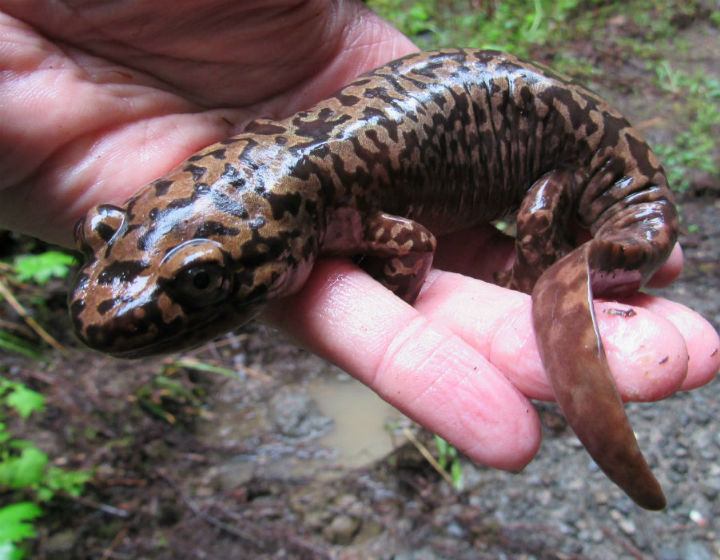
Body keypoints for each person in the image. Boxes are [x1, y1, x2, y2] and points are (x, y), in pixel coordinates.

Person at [0, 0, 717, 472]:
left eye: (200, 279)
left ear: (292, 232)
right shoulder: (289, 186)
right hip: (518, 115)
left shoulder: (320, 201)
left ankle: (541, 271)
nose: (110, 263)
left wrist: (528, 269)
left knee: (536, 229)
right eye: (106, 232)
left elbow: (413, 242)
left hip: (558, 163)